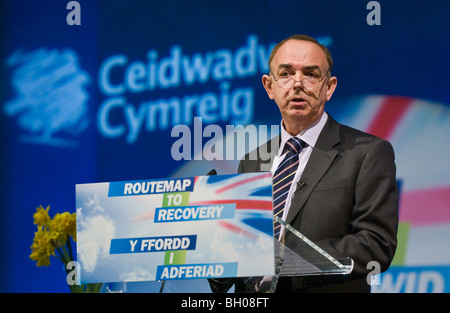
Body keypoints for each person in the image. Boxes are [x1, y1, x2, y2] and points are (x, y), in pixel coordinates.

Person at [210, 34, 399, 293]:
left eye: (310, 74)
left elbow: (376, 245)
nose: (297, 84)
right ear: (269, 86)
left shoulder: (366, 153)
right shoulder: (252, 162)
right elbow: (239, 252)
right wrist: (213, 250)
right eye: (286, 73)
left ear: (329, 87)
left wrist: (283, 259)